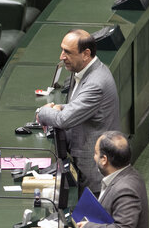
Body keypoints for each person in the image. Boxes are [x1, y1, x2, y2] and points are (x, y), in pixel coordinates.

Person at [37, 29, 120, 195]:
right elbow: (85, 109)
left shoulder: (96, 83)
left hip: (94, 170)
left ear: (86, 54)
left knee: (92, 218)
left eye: (67, 52)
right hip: (84, 162)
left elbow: (63, 120)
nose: (62, 56)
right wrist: (62, 106)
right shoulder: (83, 71)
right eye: (62, 50)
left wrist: (42, 112)